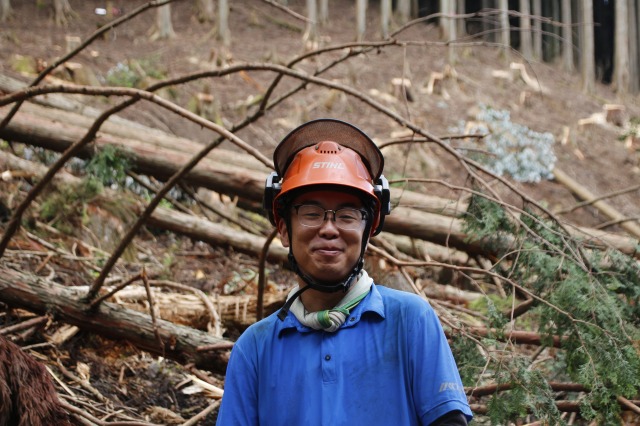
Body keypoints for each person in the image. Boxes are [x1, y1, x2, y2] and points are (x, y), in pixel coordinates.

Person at [216, 119, 472, 425]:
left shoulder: (410, 321)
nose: (329, 229)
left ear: (369, 228)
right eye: (311, 213)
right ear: (284, 229)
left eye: (347, 215)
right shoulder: (255, 350)